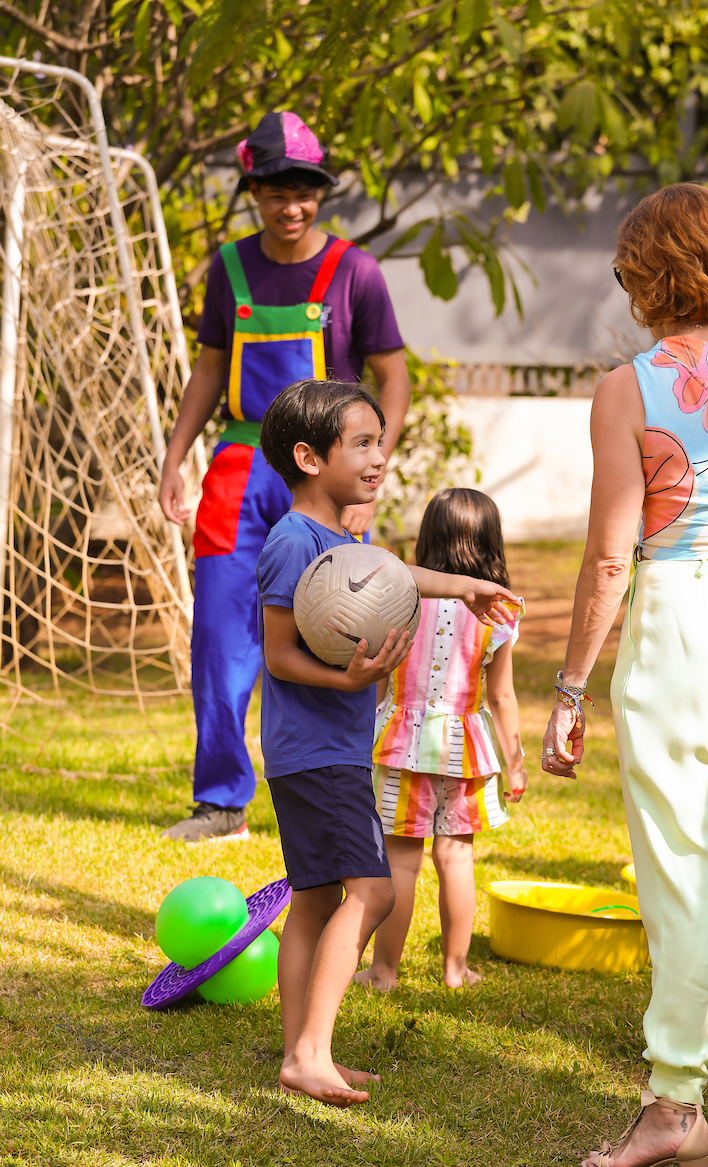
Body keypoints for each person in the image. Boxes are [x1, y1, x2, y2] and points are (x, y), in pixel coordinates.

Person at [540, 182, 708, 1167]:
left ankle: (673, 1105)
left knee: (682, 872)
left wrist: (569, 689)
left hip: (686, 618)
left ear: (644, 275)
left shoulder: (630, 386)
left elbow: (610, 557)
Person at [257, 379, 519, 1107]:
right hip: (318, 752)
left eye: (379, 441)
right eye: (363, 443)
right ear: (309, 457)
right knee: (369, 892)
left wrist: (462, 585)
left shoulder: (343, 540)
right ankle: (310, 1052)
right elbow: (278, 655)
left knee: (312, 901)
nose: (380, 457)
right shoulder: (291, 543)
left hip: (321, 750)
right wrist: (349, 684)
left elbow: (396, 575)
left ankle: (302, 1052)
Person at [159, 111, 409, 843]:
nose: (291, 206)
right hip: (238, 467)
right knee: (220, 632)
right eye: (275, 191)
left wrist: (369, 467)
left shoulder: (354, 271)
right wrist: (176, 457)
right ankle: (222, 802)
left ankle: (330, 781)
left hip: (326, 477)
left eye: (304, 191)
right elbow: (210, 367)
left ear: (320, 192)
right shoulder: (228, 268)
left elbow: (392, 376)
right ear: (253, 191)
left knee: (336, 625)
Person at [355, 488, 528, 990]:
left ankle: (384, 971)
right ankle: (456, 969)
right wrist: (513, 761)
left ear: (427, 539)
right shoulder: (499, 613)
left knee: (401, 864)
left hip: (401, 745)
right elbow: (503, 697)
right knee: (456, 859)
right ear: (493, 544)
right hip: (466, 752)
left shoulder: (400, 600)